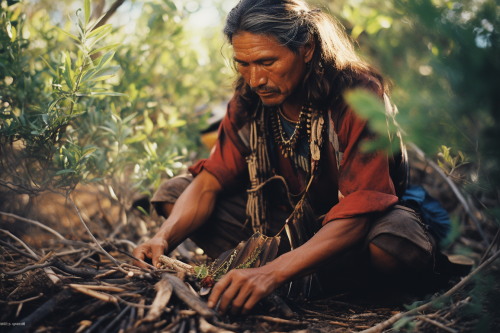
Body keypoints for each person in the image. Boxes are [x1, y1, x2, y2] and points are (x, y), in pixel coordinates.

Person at [133, 0, 446, 316]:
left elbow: (362, 208)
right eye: (243, 63)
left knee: (393, 239)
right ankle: (304, 272)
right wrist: (162, 237)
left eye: (267, 61)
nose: (255, 79)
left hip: (351, 234)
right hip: (283, 226)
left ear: (307, 48)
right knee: (174, 193)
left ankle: (297, 273)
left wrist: (272, 273)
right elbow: (212, 178)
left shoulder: (356, 93)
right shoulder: (247, 99)